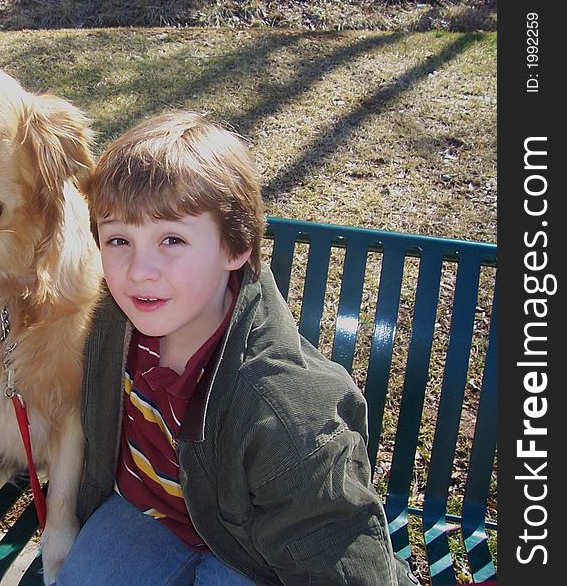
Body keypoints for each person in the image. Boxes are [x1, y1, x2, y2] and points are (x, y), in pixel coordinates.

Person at [55, 111, 417, 585]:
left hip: (251, 550)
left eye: (172, 239)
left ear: (236, 247)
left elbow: (339, 552)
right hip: (142, 511)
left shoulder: (287, 413)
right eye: (119, 238)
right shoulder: (112, 316)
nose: (138, 269)